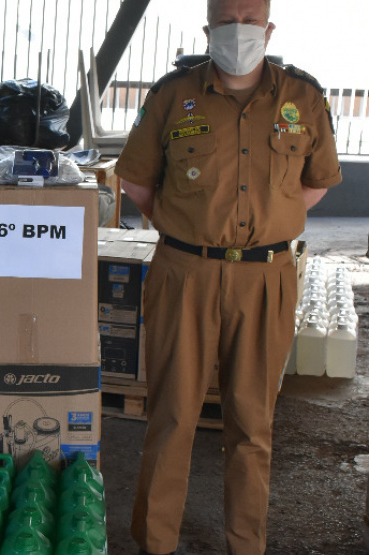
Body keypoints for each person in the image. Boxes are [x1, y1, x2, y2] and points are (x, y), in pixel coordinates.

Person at [115, 0, 341, 553]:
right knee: (172, 417)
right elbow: (139, 184)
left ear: (268, 29)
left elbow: (314, 185)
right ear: (209, 29)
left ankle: (246, 544)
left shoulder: (303, 98)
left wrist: (270, 223)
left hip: (267, 279)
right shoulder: (173, 95)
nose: (238, 31)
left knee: (251, 425)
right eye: (227, 20)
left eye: (249, 19)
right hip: (184, 273)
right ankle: (156, 542)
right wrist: (189, 227)